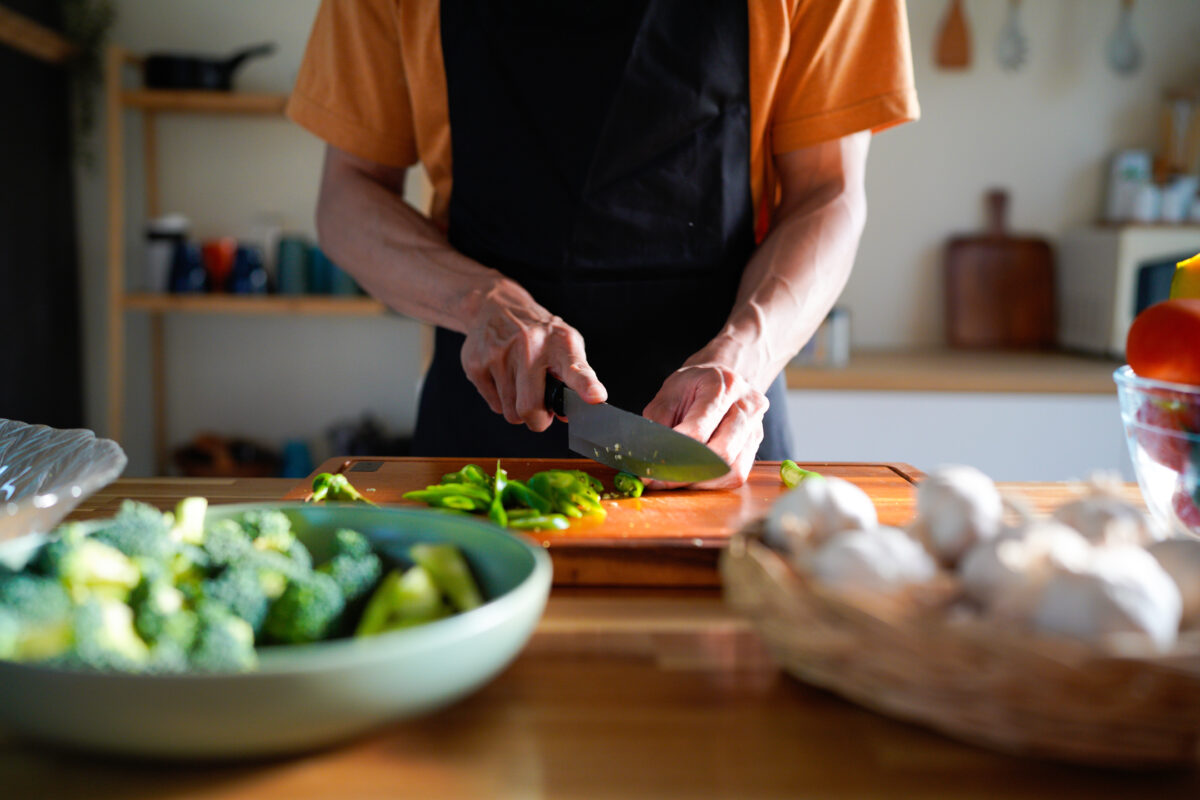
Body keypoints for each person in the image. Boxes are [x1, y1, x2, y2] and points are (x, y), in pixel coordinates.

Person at [288, 0, 918, 488]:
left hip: (721, 427)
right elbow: (347, 197)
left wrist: (740, 358)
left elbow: (828, 195)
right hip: (488, 414)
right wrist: (484, 302)